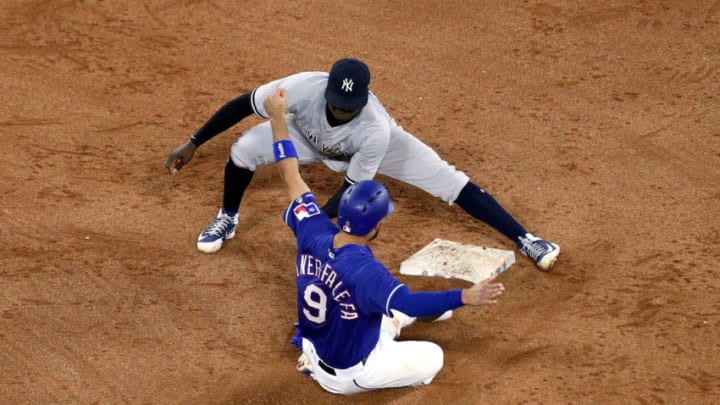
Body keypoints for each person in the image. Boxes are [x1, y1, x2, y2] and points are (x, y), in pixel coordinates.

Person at [165, 58, 560, 271]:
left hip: (367, 153)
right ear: (327, 89)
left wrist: (314, 228)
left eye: (349, 107)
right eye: (336, 102)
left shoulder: (375, 128)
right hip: (305, 137)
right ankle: (227, 216)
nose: (340, 109)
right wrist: (195, 141)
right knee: (244, 149)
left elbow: (350, 191)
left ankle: (527, 238)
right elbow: (243, 104)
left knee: (448, 180)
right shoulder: (301, 87)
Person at [263, 87, 505, 394]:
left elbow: (291, 175)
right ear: (376, 226)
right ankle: (348, 369)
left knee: (386, 306)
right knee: (433, 355)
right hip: (348, 375)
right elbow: (409, 302)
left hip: (314, 343)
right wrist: (465, 297)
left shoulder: (313, 229)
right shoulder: (366, 272)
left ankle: (319, 355)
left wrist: (276, 118)